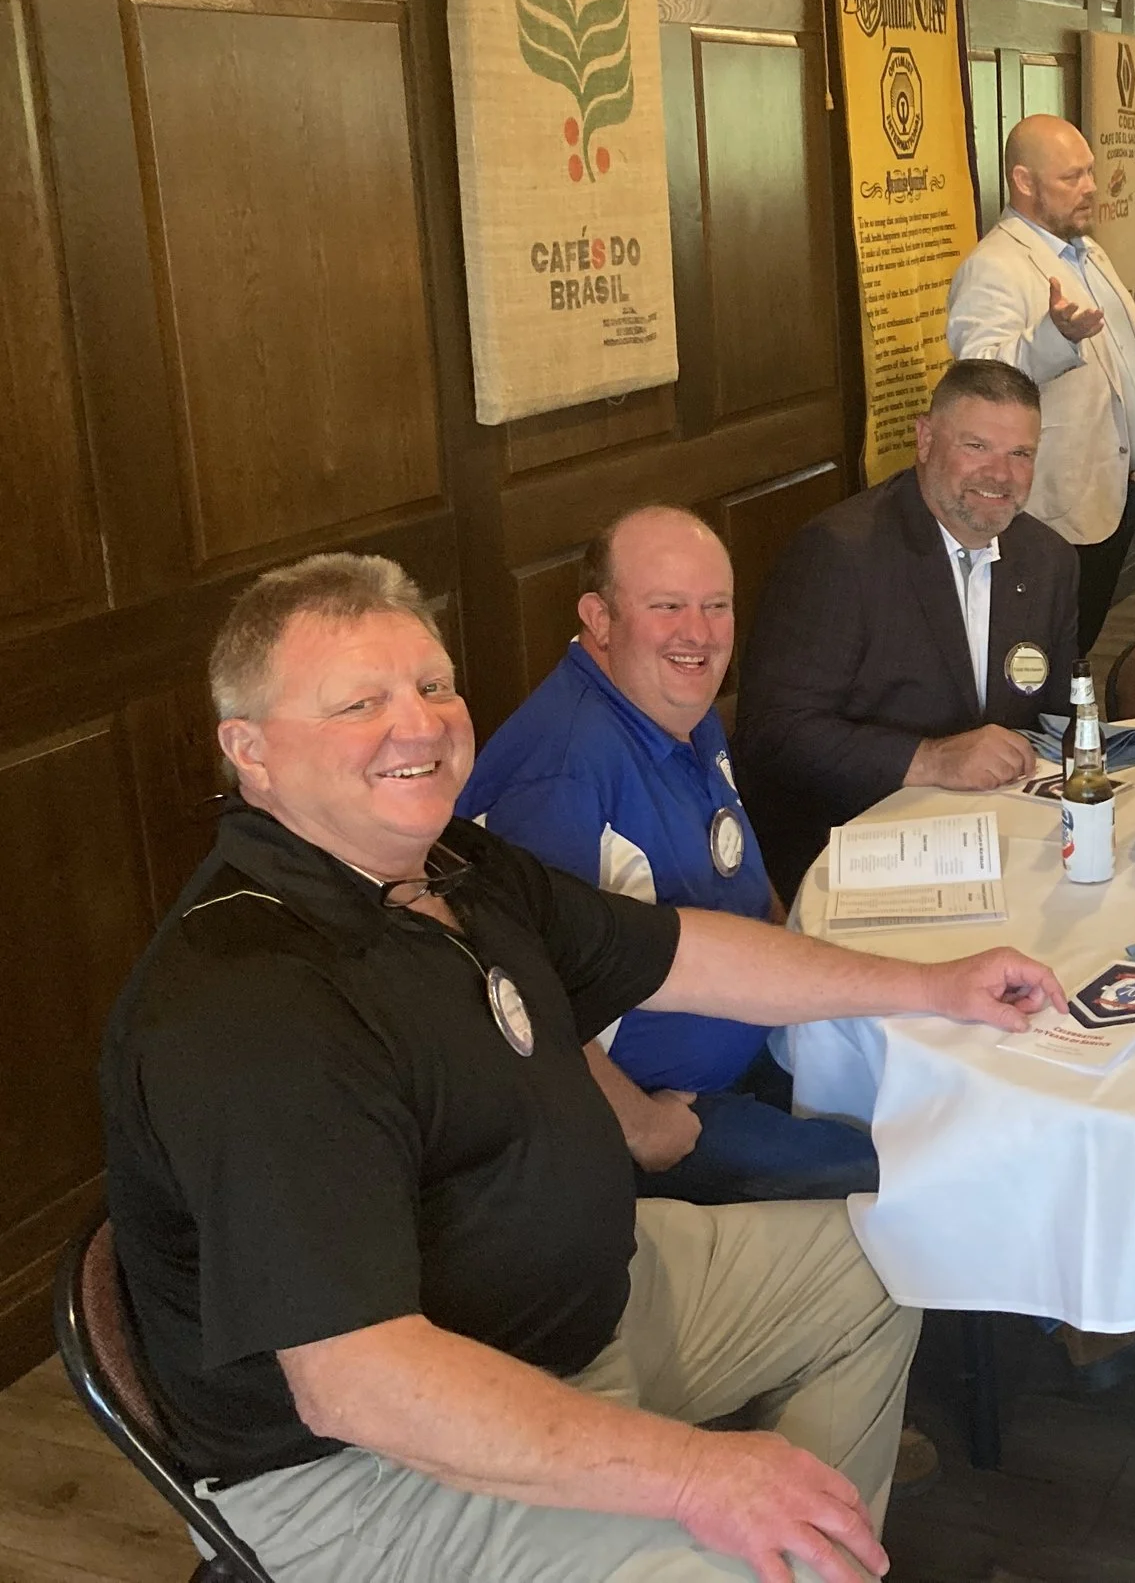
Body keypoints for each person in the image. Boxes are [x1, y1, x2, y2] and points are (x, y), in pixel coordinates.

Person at [102, 552, 1066, 1583]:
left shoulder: (452, 866)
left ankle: (807, 1546)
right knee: (718, 1557)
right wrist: (699, 1474)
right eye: (357, 704)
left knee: (890, 1258)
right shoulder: (250, 1001)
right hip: (372, 1466)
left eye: (431, 685)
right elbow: (359, 1383)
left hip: (583, 1308)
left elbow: (680, 952)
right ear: (250, 752)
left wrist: (933, 985)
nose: (419, 724)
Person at [461, 505, 878, 1207]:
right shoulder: (563, 771)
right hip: (670, 1109)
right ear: (598, 617)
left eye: (716, 606)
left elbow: (735, 861)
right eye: (667, 606)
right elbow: (517, 996)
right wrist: (644, 1127)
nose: (699, 633)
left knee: (942, 1104)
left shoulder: (677, 699)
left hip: (760, 1035)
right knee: (900, 1168)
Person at [736, 359, 1078, 898]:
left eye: (1021, 454)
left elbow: (1055, 719)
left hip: (1003, 844)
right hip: (858, 848)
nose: (1000, 474)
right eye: (976, 447)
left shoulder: (1048, 560)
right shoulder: (839, 555)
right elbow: (773, 733)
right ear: (924, 439)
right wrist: (929, 760)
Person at [946, 114, 1135, 655]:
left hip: (1114, 492)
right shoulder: (993, 266)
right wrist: (1052, 338)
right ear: (1024, 181)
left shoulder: (1086, 250)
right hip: (1053, 511)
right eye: (1071, 178)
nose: (1090, 188)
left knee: (1077, 649)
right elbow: (979, 380)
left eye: (1090, 172)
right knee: (1045, 658)